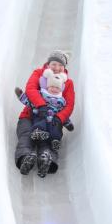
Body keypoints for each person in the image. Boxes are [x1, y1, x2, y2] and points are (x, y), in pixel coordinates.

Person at [15, 50, 75, 178]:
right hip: (30, 115)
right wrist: (41, 105)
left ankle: (47, 160)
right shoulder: (38, 73)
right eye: (54, 64)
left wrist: (59, 119)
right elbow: (30, 90)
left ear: (64, 68)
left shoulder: (68, 83)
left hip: (52, 121)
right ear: (48, 64)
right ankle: (25, 158)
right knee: (26, 136)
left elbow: (69, 104)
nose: (57, 68)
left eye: (60, 66)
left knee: (49, 140)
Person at [15, 67, 74, 151]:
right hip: (41, 115)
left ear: (61, 89)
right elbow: (30, 102)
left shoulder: (61, 101)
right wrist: (22, 96)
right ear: (47, 86)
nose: (54, 89)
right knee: (41, 121)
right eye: (52, 86)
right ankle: (38, 131)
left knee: (56, 128)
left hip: (53, 119)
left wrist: (67, 122)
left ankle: (55, 141)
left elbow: (63, 111)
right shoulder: (42, 95)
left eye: (57, 88)